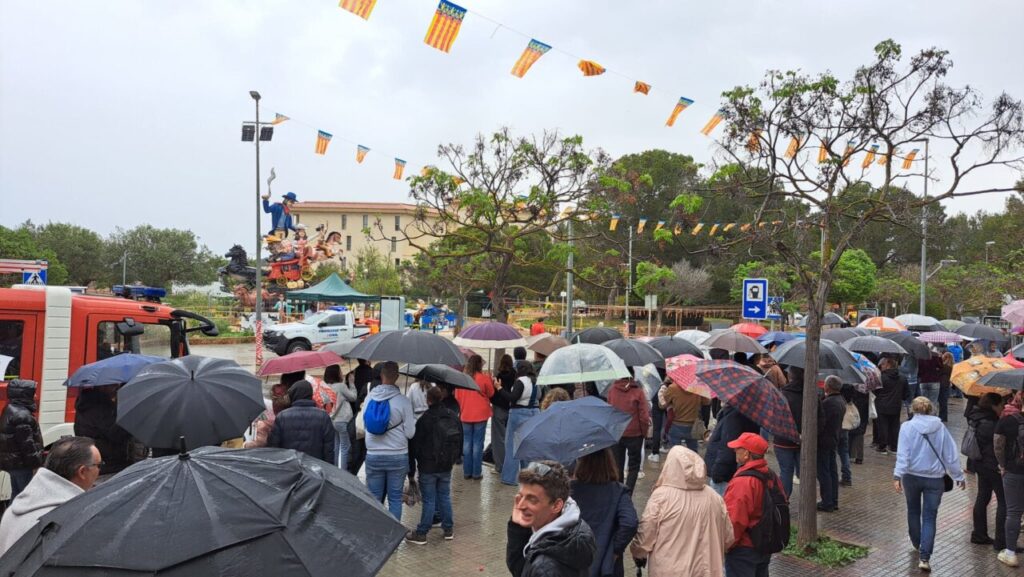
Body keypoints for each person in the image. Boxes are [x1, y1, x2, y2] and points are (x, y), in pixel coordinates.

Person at [631, 446, 733, 577]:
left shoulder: (661, 497)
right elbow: (728, 538)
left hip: (669, 570)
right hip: (707, 570)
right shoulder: (715, 498)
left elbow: (646, 533)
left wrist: (638, 552)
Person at [893, 396, 966, 572]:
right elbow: (950, 453)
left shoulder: (907, 427)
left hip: (911, 476)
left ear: (913, 409)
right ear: (930, 409)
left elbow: (903, 454)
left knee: (913, 510)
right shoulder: (940, 427)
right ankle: (925, 557)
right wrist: (958, 475)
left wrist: (897, 475)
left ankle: (917, 542)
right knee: (930, 517)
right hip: (935, 478)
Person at [0, 437, 101, 555]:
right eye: (99, 465)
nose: (100, 470)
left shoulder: (15, 508)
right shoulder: (71, 520)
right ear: (82, 472)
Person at [507, 461, 596, 577]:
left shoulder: (544, 569)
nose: (520, 506)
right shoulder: (574, 528)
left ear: (556, 505)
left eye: (532, 499)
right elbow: (522, 570)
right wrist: (518, 528)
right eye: (521, 496)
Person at [723, 433, 786, 577]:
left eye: (738, 448)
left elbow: (735, 520)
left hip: (743, 549)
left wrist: (726, 545)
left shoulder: (743, 482)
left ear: (747, 454)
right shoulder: (771, 475)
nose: (734, 450)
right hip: (763, 544)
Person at [406, 386, 462, 545]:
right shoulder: (452, 416)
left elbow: (415, 446)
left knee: (429, 500)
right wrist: (455, 458)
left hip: (427, 466)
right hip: (446, 465)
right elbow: (460, 438)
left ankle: (422, 533)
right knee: (444, 496)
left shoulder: (424, 420)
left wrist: (412, 469)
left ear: (428, 400)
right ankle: (448, 529)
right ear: (441, 398)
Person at [571, 449, 638, 577]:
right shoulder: (618, 491)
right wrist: (615, 549)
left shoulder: (571, 489)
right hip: (606, 563)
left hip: (576, 557)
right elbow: (630, 523)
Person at [364, 361, 416, 520]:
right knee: (395, 498)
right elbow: (410, 434)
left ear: (381, 375)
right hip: (397, 455)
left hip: (373, 455)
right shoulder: (403, 401)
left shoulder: (369, 398)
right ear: (397, 377)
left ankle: (376, 532)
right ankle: (394, 534)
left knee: (374, 498)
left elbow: (365, 425)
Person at [774, 366, 823, 497]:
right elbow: (820, 418)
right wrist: (813, 434)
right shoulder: (812, 394)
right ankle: (808, 499)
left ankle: (784, 499)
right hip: (805, 440)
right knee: (805, 472)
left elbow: (776, 417)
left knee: (786, 471)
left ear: (790, 376)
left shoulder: (783, 394)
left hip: (783, 440)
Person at [967, 392, 1006, 550]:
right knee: (1004, 501)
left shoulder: (976, 416)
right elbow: (999, 445)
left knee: (983, 496)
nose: (1003, 407)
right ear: (994, 405)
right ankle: (1001, 541)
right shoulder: (991, 423)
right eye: (1001, 405)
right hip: (993, 465)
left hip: (979, 463)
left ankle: (979, 534)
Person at [266, 380, 335, 463]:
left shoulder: (282, 416)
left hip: (289, 466)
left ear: (293, 395)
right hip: (315, 466)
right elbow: (329, 448)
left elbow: (273, 446)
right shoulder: (323, 416)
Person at [73, 385, 133, 477]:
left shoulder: (86, 403)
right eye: (113, 385)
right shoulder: (100, 406)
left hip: (93, 457)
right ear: (102, 387)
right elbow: (116, 434)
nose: (116, 388)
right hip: (109, 462)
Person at [606, 375, 651, 493]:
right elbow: (644, 416)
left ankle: (619, 493)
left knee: (617, 466)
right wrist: (644, 432)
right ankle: (628, 493)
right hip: (635, 434)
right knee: (634, 466)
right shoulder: (638, 392)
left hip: (617, 433)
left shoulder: (612, 390)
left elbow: (609, 412)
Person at [0, 380, 44, 500]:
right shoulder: (22, 415)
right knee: (25, 498)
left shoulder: (10, 409)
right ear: (25, 394)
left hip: (14, 463)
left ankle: (11, 513)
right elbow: (27, 444)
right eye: (33, 393)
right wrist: (36, 464)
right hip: (22, 464)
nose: (36, 396)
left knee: (17, 495)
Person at [704, 401, 759, 496]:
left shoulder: (734, 417)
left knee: (721, 502)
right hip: (731, 470)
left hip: (724, 473)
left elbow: (728, 449)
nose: (719, 398)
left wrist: (718, 474)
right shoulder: (745, 411)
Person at [994, 391, 1024, 567]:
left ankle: (1010, 553)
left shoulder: (1006, 421)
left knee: (1013, 512)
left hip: (1014, 470)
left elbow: (998, 446)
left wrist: (1003, 465)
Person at [455, 354, 495, 480]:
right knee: (478, 443)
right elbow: (491, 393)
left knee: (467, 443)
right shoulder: (484, 378)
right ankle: (476, 473)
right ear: (479, 365)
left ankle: (467, 472)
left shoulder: (462, 379)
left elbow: (457, 397)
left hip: (465, 413)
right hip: (481, 414)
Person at [501, 362, 541, 486]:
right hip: (534, 413)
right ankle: (528, 476)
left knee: (512, 446)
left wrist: (499, 388)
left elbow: (512, 398)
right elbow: (539, 396)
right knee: (527, 446)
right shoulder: (536, 381)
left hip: (518, 413)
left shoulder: (521, 381)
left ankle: (509, 478)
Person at [816, 376, 845, 512]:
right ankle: (833, 500)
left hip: (824, 441)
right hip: (833, 439)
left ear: (828, 386)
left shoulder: (828, 403)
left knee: (824, 472)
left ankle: (827, 501)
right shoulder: (840, 400)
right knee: (832, 470)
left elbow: (822, 422)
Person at [660, 379, 709, 451]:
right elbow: (706, 402)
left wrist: (663, 394)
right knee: (693, 452)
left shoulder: (673, 388)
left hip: (676, 424)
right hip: (693, 425)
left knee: (676, 452)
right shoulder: (698, 387)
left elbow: (662, 405)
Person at [326, 365, 357, 468]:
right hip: (342, 419)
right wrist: (351, 383)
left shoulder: (326, 386)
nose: (341, 373)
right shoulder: (341, 386)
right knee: (345, 447)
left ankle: (335, 470)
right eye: (340, 371)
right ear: (336, 374)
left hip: (332, 420)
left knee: (336, 446)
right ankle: (343, 472)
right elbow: (353, 397)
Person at [346, 358, 374, 475]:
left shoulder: (353, 373)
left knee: (356, 448)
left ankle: (352, 472)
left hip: (357, 414)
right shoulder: (372, 374)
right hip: (369, 413)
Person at [490, 354, 516, 474]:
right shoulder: (516, 376)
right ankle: (511, 466)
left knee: (498, 439)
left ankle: (500, 467)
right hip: (512, 410)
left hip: (499, 410)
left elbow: (492, 394)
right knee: (510, 439)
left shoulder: (498, 376)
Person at [874, 357, 906, 454]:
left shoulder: (881, 378)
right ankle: (894, 446)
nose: (881, 366)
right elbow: (906, 394)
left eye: (883, 364)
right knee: (895, 426)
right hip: (896, 405)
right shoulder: (902, 377)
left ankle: (882, 446)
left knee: (882, 426)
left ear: (888, 364)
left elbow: (876, 391)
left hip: (882, 405)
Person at [937, 352, 954, 422]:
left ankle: (942, 416)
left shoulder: (944, 366)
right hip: (947, 384)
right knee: (944, 401)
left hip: (942, 384)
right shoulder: (952, 366)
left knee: (942, 401)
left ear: (946, 357)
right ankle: (944, 416)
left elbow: (939, 373)